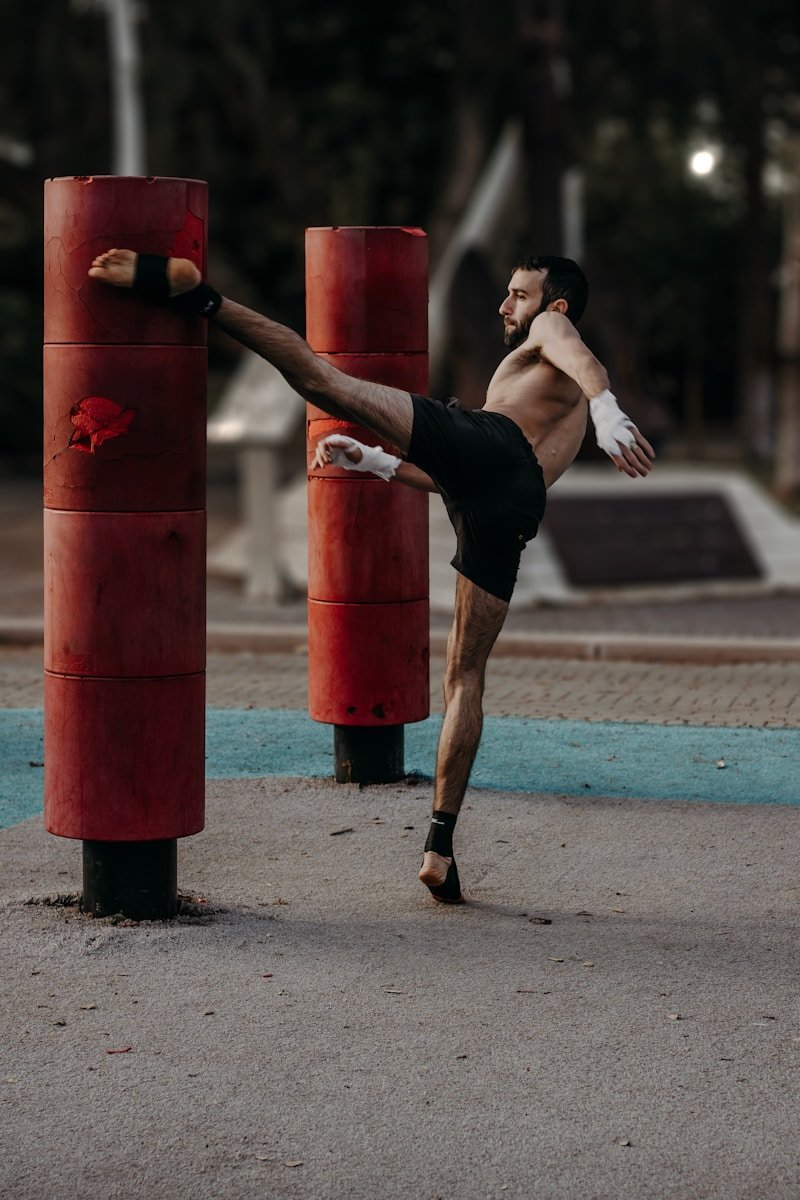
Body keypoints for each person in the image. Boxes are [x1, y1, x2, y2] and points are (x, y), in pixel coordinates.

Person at [88, 249, 655, 906]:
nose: (507, 306)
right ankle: (439, 848)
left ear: (553, 304)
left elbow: (576, 357)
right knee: (466, 678)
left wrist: (609, 405)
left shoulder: (553, 335)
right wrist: (380, 465)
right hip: (510, 498)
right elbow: (486, 484)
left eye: (520, 295)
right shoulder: (562, 412)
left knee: (327, 384)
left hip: (492, 447)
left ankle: (200, 298)